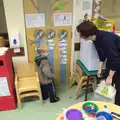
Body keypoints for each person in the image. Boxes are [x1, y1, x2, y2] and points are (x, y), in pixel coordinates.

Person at [76, 20, 120, 106]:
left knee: (118, 86)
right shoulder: (95, 39)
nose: (81, 36)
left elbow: (115, 59)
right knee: (108, 82)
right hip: (113, 61)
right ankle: (111, 103)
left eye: (81, 33)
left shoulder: (106, 39)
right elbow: (101, 54)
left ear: (86, 33)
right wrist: (99, 69)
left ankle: (117, 109)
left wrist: (110, 76)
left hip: (117, 61)